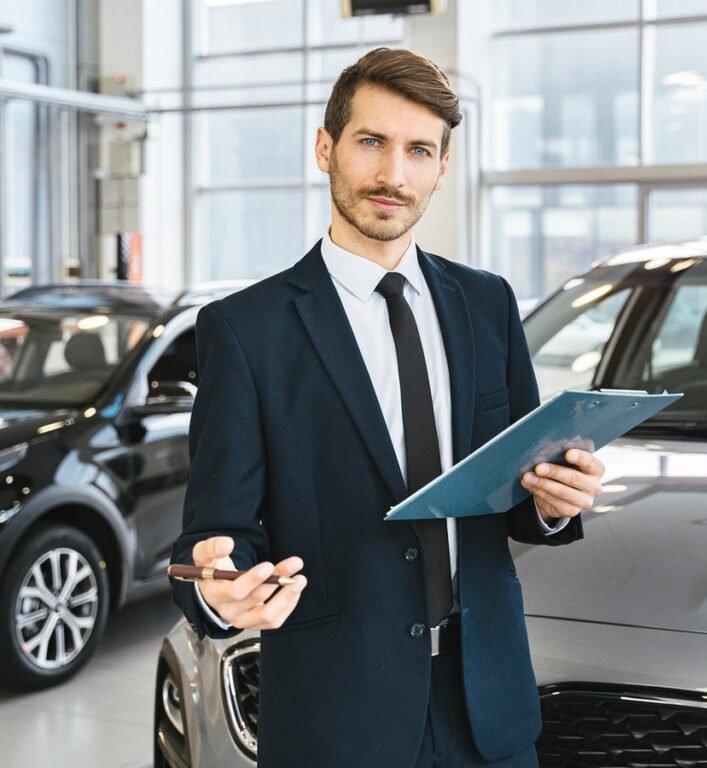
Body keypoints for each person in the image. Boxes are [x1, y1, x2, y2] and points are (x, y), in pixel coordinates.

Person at [170, 47, 604, 768]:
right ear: (325, 147)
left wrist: (558, 500)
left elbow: (520, 491)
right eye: (371, 141)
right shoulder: (246, 331)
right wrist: (219, 589)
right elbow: (216, 533)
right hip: (338, 717)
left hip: (487, 707)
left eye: (418, 150)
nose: (392, 175)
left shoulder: (488, 303)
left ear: (441, 166)